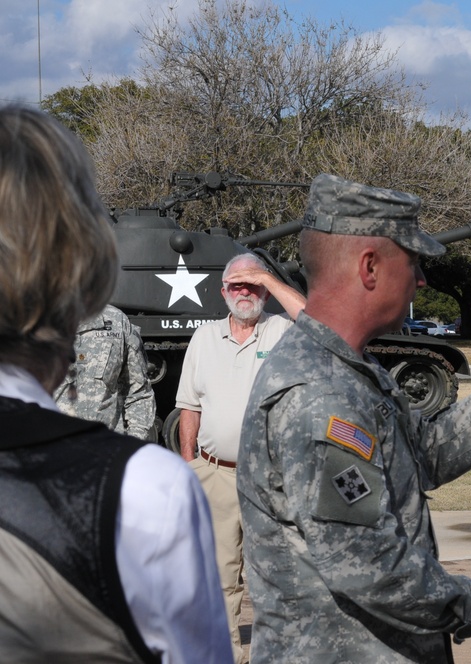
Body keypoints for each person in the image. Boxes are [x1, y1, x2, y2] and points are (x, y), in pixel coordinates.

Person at [237, 173, 471, 662]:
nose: (423, 279)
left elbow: (418, 458)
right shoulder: (320, 394)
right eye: (412, 261)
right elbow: (367, 566)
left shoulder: (351, 371)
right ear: (370, 266)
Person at [0, 104, 230, 661]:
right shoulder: (148, 493)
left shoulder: (118, 326)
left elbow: (138, 392)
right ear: (87, 261)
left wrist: (129, 444)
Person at [175, 251, 305, 663]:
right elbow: (188, 406)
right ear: (223, 291)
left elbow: (323, 326)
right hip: (215, 475)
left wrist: (268, 278)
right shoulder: (204, 337)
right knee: (219, 577)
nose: (245, 292)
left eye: (253, 285)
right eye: (237, 285)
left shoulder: (282, 330)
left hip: (271, 478)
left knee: (274, 577)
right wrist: (190, 465)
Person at [54, 303, 157, 441]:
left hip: (107, 450)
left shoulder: (116, 321)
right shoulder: (32, 322)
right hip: (52, 451)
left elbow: (139, 392)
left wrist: (132, 445)